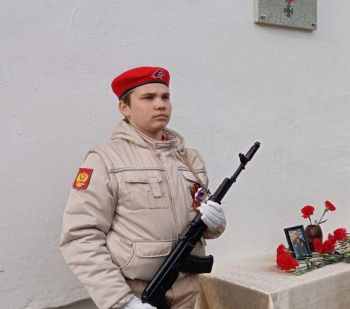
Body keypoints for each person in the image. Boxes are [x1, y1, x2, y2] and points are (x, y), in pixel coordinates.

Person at [60, 67, 227, 309]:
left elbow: (204, 221)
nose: (160, 105)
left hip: (191, 295)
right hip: (138, 295)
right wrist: (122, 302)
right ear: (124, 108)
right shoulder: (105, 160)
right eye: (148, 98)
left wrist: (217, 222)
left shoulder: (189, 159)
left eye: (165, 97)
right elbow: (80, 238)